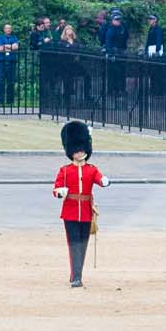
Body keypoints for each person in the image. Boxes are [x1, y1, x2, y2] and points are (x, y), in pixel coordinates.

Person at [54, 119, 105, 288]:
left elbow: (97, 178)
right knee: (73, 244)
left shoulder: (92, 169)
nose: (80, 153)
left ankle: (77, 273)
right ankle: (76, 277)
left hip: (85, 212)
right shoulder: (65, 170)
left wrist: (104, 181)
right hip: (69, 212)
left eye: (82, 149)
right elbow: (56, 188)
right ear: (71, 152)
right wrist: (60, 192)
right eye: (76, 150)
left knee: (82, 245)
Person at [0, 24, 21, 105]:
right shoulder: (0, 38)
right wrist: (11, 46)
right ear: (4, 29)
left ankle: (10, 101)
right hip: (1, 62)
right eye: (7, 28)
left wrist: (5, 46)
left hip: (12, 61)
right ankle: (0, 100)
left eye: (10, 28)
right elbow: (0, 49)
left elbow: (16, 47)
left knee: (11, 82)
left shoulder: (14, 37)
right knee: (0, 81)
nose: (8, 30)